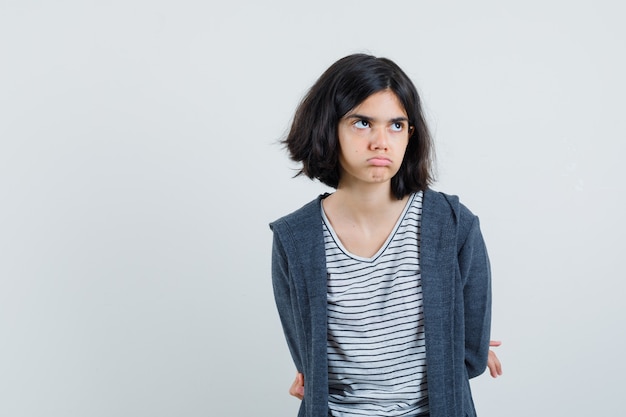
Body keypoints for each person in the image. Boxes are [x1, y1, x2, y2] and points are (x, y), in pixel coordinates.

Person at [270, 53, 502, 417]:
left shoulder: (453, 224)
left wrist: (451, 341)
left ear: (411, 133)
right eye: (362, 123)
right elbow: (307, 356)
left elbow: (469, 353)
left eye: (396, 125)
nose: (381, 141)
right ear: (328, 128)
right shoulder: (295, 238)